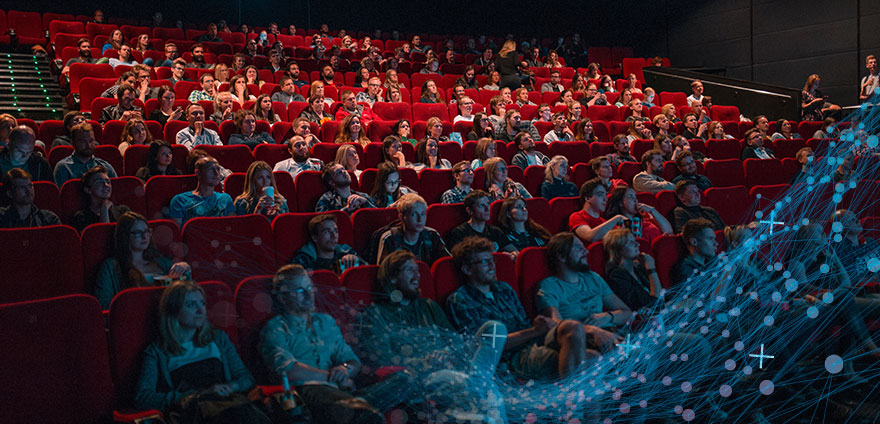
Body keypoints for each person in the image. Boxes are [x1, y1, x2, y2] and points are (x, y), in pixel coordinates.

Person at [357, 250, 507, 423]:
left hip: (455, 365)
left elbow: (456, 340)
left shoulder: (428, 306)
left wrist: (446, 352)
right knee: (487, 392)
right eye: (409, 270)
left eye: (417, 270)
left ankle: (477, 383)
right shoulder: (376, 314)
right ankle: (478, 387)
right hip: (424, 378)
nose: (417, 275)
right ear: (392, 278)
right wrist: (425, 362)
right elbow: (383, 361)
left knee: (494, 329)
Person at [260, 265, 413, 424]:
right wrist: (330, 378)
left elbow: (352, 361)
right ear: (283, 298)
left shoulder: (326, 322)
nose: (308, 294)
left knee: (404, 379)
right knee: (364, 413)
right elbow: (286, 370)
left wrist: (344, 370)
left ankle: (357, 409)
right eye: (299, 291)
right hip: (308, 392)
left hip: (339, 393)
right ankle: (359, 410)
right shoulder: (275, 328)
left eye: (309, 287)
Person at [446, 236, 586, 381]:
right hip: (511, 358)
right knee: (589, 358)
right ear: (467, 269)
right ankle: (576, 400)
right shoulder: (461, 299)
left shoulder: (504, 289)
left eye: (492, 260)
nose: (492, 265)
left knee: (573, 328)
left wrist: (538, 325)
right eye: (484, 262)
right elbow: (487, 347)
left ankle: (578, 399)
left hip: (533, 342)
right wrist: (533, 331)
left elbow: (524, 323)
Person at [135, 281, 267, 422]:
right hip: (194, 411)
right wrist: (191, 395)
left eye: (202, 303)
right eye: (191, 305)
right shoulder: (157, 351)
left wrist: (231, 386)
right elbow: (143, 397)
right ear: (173, 310)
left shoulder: (218, 338)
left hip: (230, 404)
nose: (201, 311)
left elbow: (246, 378)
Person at [537, 231, 629, 347]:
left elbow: (627, 313)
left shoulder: (593, 277)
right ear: (561, 256)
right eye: (578, 248)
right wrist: (591, 330)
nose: (586, 251)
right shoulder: (549, 286)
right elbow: (555, 324)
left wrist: (606, 317)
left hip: (611, 333)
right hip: (581, 341)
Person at [93, 211, 190, 308]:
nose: (144, 237)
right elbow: (103, 303)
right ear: (125, 236)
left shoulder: (159, 261)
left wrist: (185, 268)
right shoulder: (111, 266)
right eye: (138, 233)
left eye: (147, 231)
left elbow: (185, 288)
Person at [375, 193, 449, 264]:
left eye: (423, 214)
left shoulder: (432, 235)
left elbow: (446, 263)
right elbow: (384, 272)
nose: (420, 219)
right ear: (401, 217)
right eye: (414, 215)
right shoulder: (390, 239)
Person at [167, 156, 234, 227]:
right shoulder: (180, 200)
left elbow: (231, 228)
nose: (216, 173)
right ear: (198, 173)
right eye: (210, 169)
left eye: (218, 169)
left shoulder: (225, 199)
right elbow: (177, 233)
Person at [446, 190, 517, 254]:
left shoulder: (495, 231)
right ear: (469, 211)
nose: (487, 209)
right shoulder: (460, 233)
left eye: (487, 204)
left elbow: (514, 251)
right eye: (481, 206)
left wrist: (511, 255)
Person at [292, 214, 362, 273]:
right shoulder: (303, 262)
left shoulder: (347, 253)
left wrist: (356, 260)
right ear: (315, 237)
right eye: (327, 232)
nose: (334, 236)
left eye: (335, 231)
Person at [54, 123, 118, 186]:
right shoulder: (64, 167)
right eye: (82, 141)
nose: (88, 145)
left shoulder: (105, 166)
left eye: (91, 140)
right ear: (72, 142)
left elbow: (117, 192)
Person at [71, 166, 130, 232]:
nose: (106, 185)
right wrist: (104, 210)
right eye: (99, 183)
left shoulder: (123, 211)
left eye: (108, 182)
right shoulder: (81, 217)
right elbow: (102, 238)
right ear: (88, 190)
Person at [604, 186, 672, 243]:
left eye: (635, 197)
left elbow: (668, 231)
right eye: (631, 197)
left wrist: (652, 210)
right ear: (620, 203)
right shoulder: (614, 225)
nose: (635, 200)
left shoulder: (646, 220)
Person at [831, 209, 880, 286]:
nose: (858, 221)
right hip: (861, 290)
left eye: (856, 218)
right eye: (851, 220)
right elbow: (851, 278)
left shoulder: (870, 241)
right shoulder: (838, 247)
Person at [569, 178, 626, 243]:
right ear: (587, 198)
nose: (605, 199)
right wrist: (617, 218)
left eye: (605, 195)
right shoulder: (577, 216)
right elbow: (589, 236)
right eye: (600, 195)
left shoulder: (604, 222)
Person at [672, 217, 718, 285]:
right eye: (710, 239)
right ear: (694, 242)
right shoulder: (686, 269)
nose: (716, 243)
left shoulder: (712, 261)